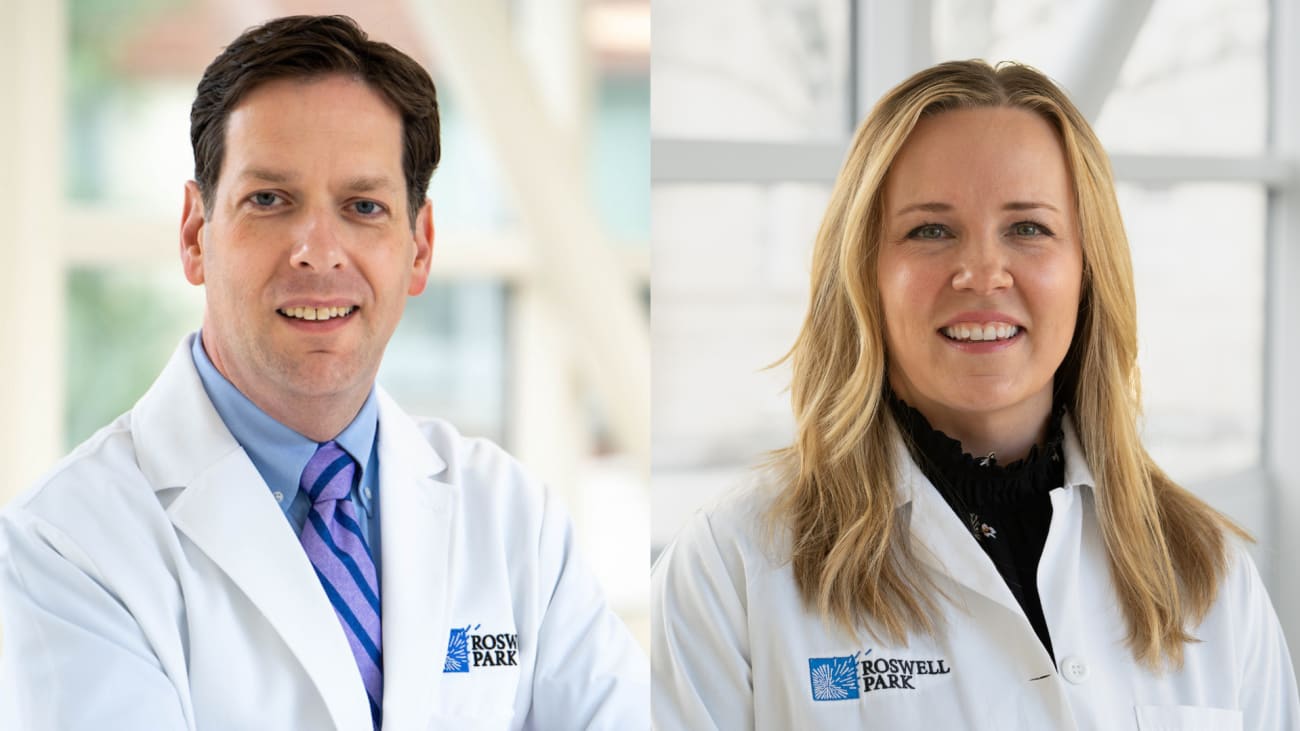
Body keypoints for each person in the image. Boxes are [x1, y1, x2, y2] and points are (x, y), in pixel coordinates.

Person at [0, 15, 647, 730]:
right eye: (269, 200)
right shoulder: (68, 546)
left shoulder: (512, 520)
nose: (318, 250)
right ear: (194, 234)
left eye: (364, 207)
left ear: (419, 247)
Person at [651, 60, 1299, 729]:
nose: (983, 273)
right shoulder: (733, 566)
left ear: (1087, 269)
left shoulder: (1207, 571)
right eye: (931, 230)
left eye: (1029, 228)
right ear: (864, 271)